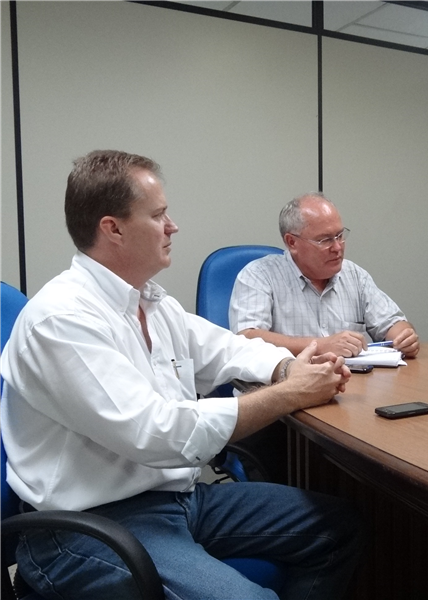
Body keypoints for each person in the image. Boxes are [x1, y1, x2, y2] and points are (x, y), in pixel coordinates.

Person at [0, 151, 364, 600]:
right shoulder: (62, 319)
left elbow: (228, 348)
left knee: (340, 526)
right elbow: (157, 433)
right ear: (112, 228)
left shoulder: (152, 303)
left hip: (175, 501)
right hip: (89, 526)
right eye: (158, 215)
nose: (173, 226)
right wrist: (290, 393)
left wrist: (289, 366)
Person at [230, 192, 420, 359]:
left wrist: (404, 337)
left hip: (348, 387)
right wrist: (319, 346)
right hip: (280, 390)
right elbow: (247, 337)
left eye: (339, 236)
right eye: (325, 240)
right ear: (292, 242)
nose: (337, 247)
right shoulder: (259, 276)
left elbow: (393, 324)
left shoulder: (354, 275)